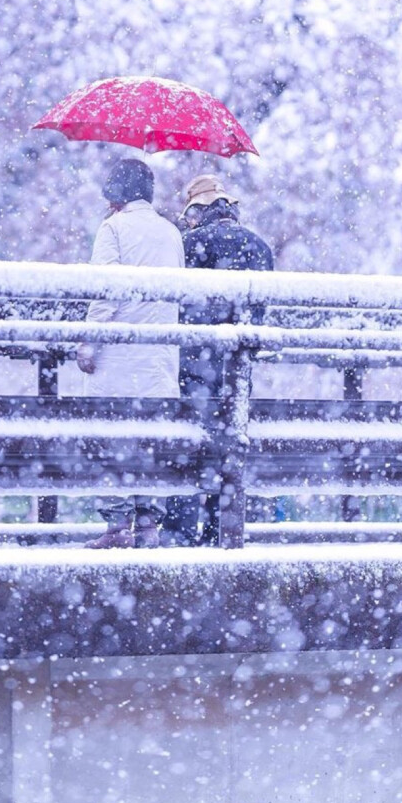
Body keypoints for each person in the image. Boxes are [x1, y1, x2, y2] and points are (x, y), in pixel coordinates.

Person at [76, 158, 186, 548]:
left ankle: (118, 526)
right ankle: (150, 525)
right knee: (151, 444)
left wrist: (90, 343)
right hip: (159, 362)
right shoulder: (171, 232)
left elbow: (106, 291)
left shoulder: (114, 229)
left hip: (119, 361)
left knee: (112, 441)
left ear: (114, 194)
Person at [161, 173, 274, 546]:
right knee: (231, 442)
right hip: (238, 368)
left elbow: (180, 305)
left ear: (197, 212)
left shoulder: (188, 244)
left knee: (191, 442)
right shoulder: (260, 248)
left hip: (196, 360)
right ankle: (221, 525)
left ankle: (180, 528)